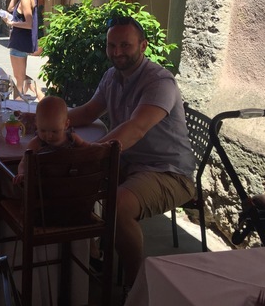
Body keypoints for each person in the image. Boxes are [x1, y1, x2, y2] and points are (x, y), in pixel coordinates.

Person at [67, 16, 195, 290]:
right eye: (111, 45)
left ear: (143, 45)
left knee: (117, 205)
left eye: (125, 45)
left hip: (167, 172)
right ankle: (93, 256)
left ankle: (135, 287)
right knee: (70, 182)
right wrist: (46, 120)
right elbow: (89, 111)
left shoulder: (159, 81)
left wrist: (92, 152)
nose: (117, 52)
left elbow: (135, 128)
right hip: (127, 162)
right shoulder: (112, 76)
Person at [13, 96, 89, 185]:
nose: (49, 136)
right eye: (43, 130)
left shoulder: (72, 137)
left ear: (66, 124)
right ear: (36, 123)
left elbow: (88, 148)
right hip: (44, 189)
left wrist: (99, 148)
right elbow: (24, 162)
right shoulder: (36, 143)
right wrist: (22, 173)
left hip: (70, 186)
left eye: (54, 131)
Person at [6, 0, 38, 96]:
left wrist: (12, 23)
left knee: (19, 79)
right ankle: (42, 99)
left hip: (19, 41)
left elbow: (29, 23)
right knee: (21, 76)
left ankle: (19, 105)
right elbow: (10, 8)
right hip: (22, 41)